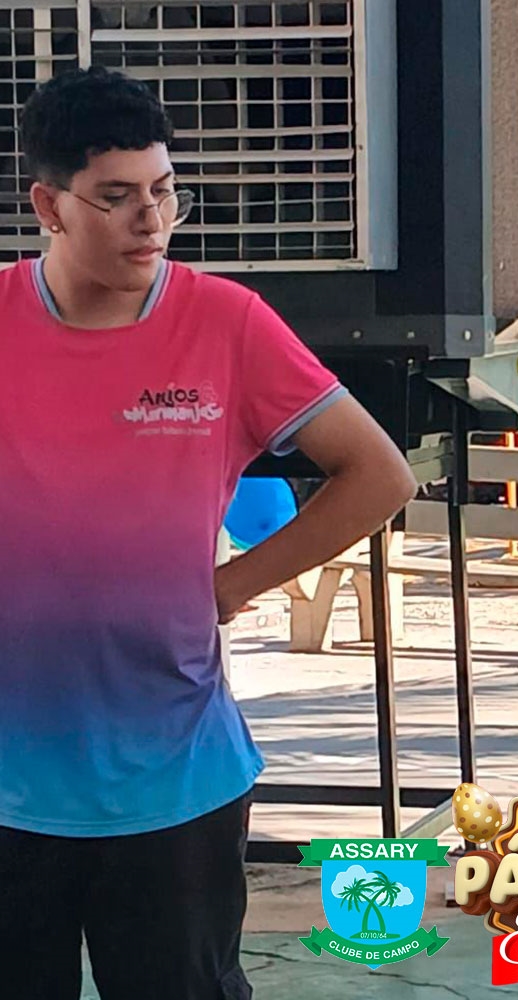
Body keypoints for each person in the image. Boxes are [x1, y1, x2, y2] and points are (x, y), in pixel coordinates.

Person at [0, 66, 417, 999]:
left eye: (164, 192)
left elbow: (379, 475)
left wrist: (230, 588)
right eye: (116, 197)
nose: (150, 220)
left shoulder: (225, 322)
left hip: (175, 786)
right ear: (49, 207)